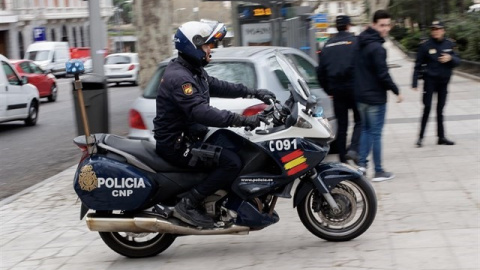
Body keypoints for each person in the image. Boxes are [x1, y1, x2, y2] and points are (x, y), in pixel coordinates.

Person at [153, 21, 276, 228]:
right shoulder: (180, 78)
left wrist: (254, 92)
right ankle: (188, 204)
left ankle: (228, 200)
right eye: (207, 46)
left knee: (239, 146)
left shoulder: (192, 70)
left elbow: (219, 86)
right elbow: (201, 111)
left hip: (191, 137)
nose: (210, 50)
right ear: (193, 46)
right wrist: (243, 120)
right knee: (231, 162)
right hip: (177, 145)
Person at [354, 10, 403, 182]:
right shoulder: (377, 48)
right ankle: (379, 171)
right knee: (376, 134)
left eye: (387, 25)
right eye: (382, 25)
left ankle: (361, 166)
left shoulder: (360, 42)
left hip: (361, 97)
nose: (385, 29)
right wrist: (396, 90)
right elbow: (383, 74)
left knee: (366, 130)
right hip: (374, 98)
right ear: (374, 24)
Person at [317, 15, 361, 165]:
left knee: (342, 126)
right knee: (360, 121)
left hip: (336, 90)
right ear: (349, 26)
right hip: (354, 88)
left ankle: (343, 160)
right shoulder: (355, 42)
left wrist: (328, 89)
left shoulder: (327, 45)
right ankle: (353, 148)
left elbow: (320, 72)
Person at [412, 21, 460, 147]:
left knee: (440, 110)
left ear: (443, 30)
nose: (435, 31)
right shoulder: (425, 45)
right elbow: (417, 65)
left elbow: (457, 60)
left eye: (438, 29)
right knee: (427, 108)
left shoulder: (449, 44)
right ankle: (420, 138)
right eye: (433, 29)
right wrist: (414, 82)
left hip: (443, 82)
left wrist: (450, 58)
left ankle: (441, 137)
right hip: (430, 82)